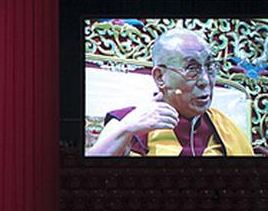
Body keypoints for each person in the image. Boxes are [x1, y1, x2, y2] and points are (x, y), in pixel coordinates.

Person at [91, 27, 252, 156]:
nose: (206, 80)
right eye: (192, 69)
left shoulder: (226, 129)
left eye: (210, 67)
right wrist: (125, 129)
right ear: (160, 77)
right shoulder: (128, 121)